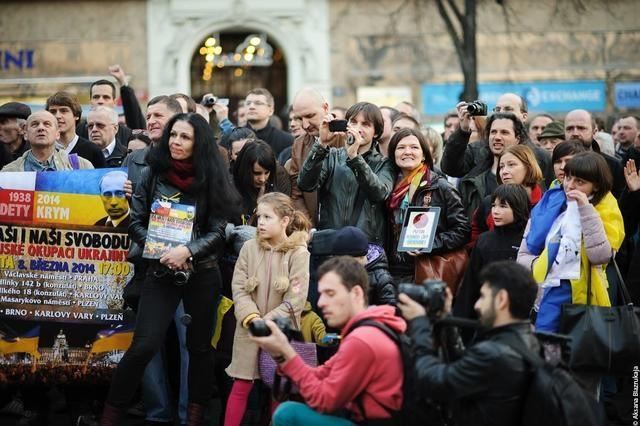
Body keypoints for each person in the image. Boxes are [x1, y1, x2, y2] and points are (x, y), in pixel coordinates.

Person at [100, 113, 241, 425]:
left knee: (200, 349)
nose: (176, 142)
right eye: (173, 135)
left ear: (198, 143)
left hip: (202, 272)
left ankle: (194, 417)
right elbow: (134, 222)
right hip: (160, 271)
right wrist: (160, 251)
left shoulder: (213, 178)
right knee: (143, 347)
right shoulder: (153, 173)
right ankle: (109, 418)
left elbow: (219, 231)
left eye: (185, 137)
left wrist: (188, 250)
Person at [251, 256, 404, 425]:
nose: (321, 302)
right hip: (362, 417)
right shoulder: (370, 327)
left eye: (330, 294)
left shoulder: (362, 340)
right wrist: (281, 354)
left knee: (287, 413)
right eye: (321, 294)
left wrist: (287, 354)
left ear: (356, 293)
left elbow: (324, 400)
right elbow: (322, 374)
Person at [397, 260, 539, 426]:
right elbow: (463, 368)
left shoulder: (494, 353)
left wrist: (419, 322)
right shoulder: (527, 341)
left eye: (483, 296)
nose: (477, 305)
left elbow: (432, 381)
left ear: (501, 299)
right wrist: (446, 319)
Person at [224, 192, 311, 426]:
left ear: (284, 221)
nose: (260, 222)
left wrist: (268, 322)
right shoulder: (248, 249)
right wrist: (252, 319)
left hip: (280, 334)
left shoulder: (299, 253)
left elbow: (296, 297)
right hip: (248, 329)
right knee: (241, 385)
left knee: (277, 388)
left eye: (267, 217)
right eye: (258, 216)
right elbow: (240, 289)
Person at [517, 152, 625, 333]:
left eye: (580, 182)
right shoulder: (552, 201)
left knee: (578, 351)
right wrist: (538, 266)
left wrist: (586, 210)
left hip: (584, 293)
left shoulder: (606, 207)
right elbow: (526, 250)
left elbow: (601, 256)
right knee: (545, 343)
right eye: (568, 178)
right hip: (548, 287)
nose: (570, 185)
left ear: (596, 186)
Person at [298, 102, 394, 246]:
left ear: (376, 132)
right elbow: (305, 184)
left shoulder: (384, 163)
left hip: (365, 249)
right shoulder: (332, 156)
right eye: (353, 122)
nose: (357, 128)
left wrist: (355, 158)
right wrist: (321, 144)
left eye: (366, 124)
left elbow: (378, 193)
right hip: (330, 244)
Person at [385, 128, 470, 282]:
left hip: (426, 269)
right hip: (391, 270)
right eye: (401, 147)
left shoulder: (440, 186)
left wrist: (430, 245)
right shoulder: (386, 187)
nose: (407, 152)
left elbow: (462, 230)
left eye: (414, 147)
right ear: (393, 154)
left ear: (424, 154)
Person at [454, 185, 531, 324]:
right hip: (486, 314)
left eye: (503, 206)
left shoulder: (530, 240)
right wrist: (460, 323)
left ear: (518, 207)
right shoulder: (484, 240)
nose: (495, 211)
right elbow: (470, 285)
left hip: (520, 317)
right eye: (494, 206)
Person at [441, 94, 552, 184]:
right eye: (498, 109)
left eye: (508, 109)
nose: (502, 113)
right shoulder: (477, 150)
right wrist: (463, 131)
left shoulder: (541, 157)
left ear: (524, 116)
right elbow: (450, 168)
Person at [469, 144, 543, 246]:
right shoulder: (489, 202)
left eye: (511, 165)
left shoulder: (545, 203)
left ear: (529, 167)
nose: (504, 171)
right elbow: (475, 235)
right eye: (501, 167)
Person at [2, 111, 93, 172]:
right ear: (26, 134)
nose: (41, 128)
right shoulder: (9, 172)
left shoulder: (82, 166)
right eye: (35, 124)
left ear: (57, 134)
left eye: (47, 124)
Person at [564, 109, 625, 197]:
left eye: (581, 128)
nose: (575, 133)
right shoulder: (555, 163)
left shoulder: (612, 166)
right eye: (569, 128)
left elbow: (619, 206)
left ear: (594, 132)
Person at [232, 140, 291, 224]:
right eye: (257, 173)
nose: (262, 179)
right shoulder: (232, 185)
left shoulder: (279, 177)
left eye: (266, 173)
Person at [45, 91, 106, 168]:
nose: (58, 116)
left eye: (64, 111)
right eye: (53, 112)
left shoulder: (92, 150)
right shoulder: (41, 150)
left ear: (76, 115)